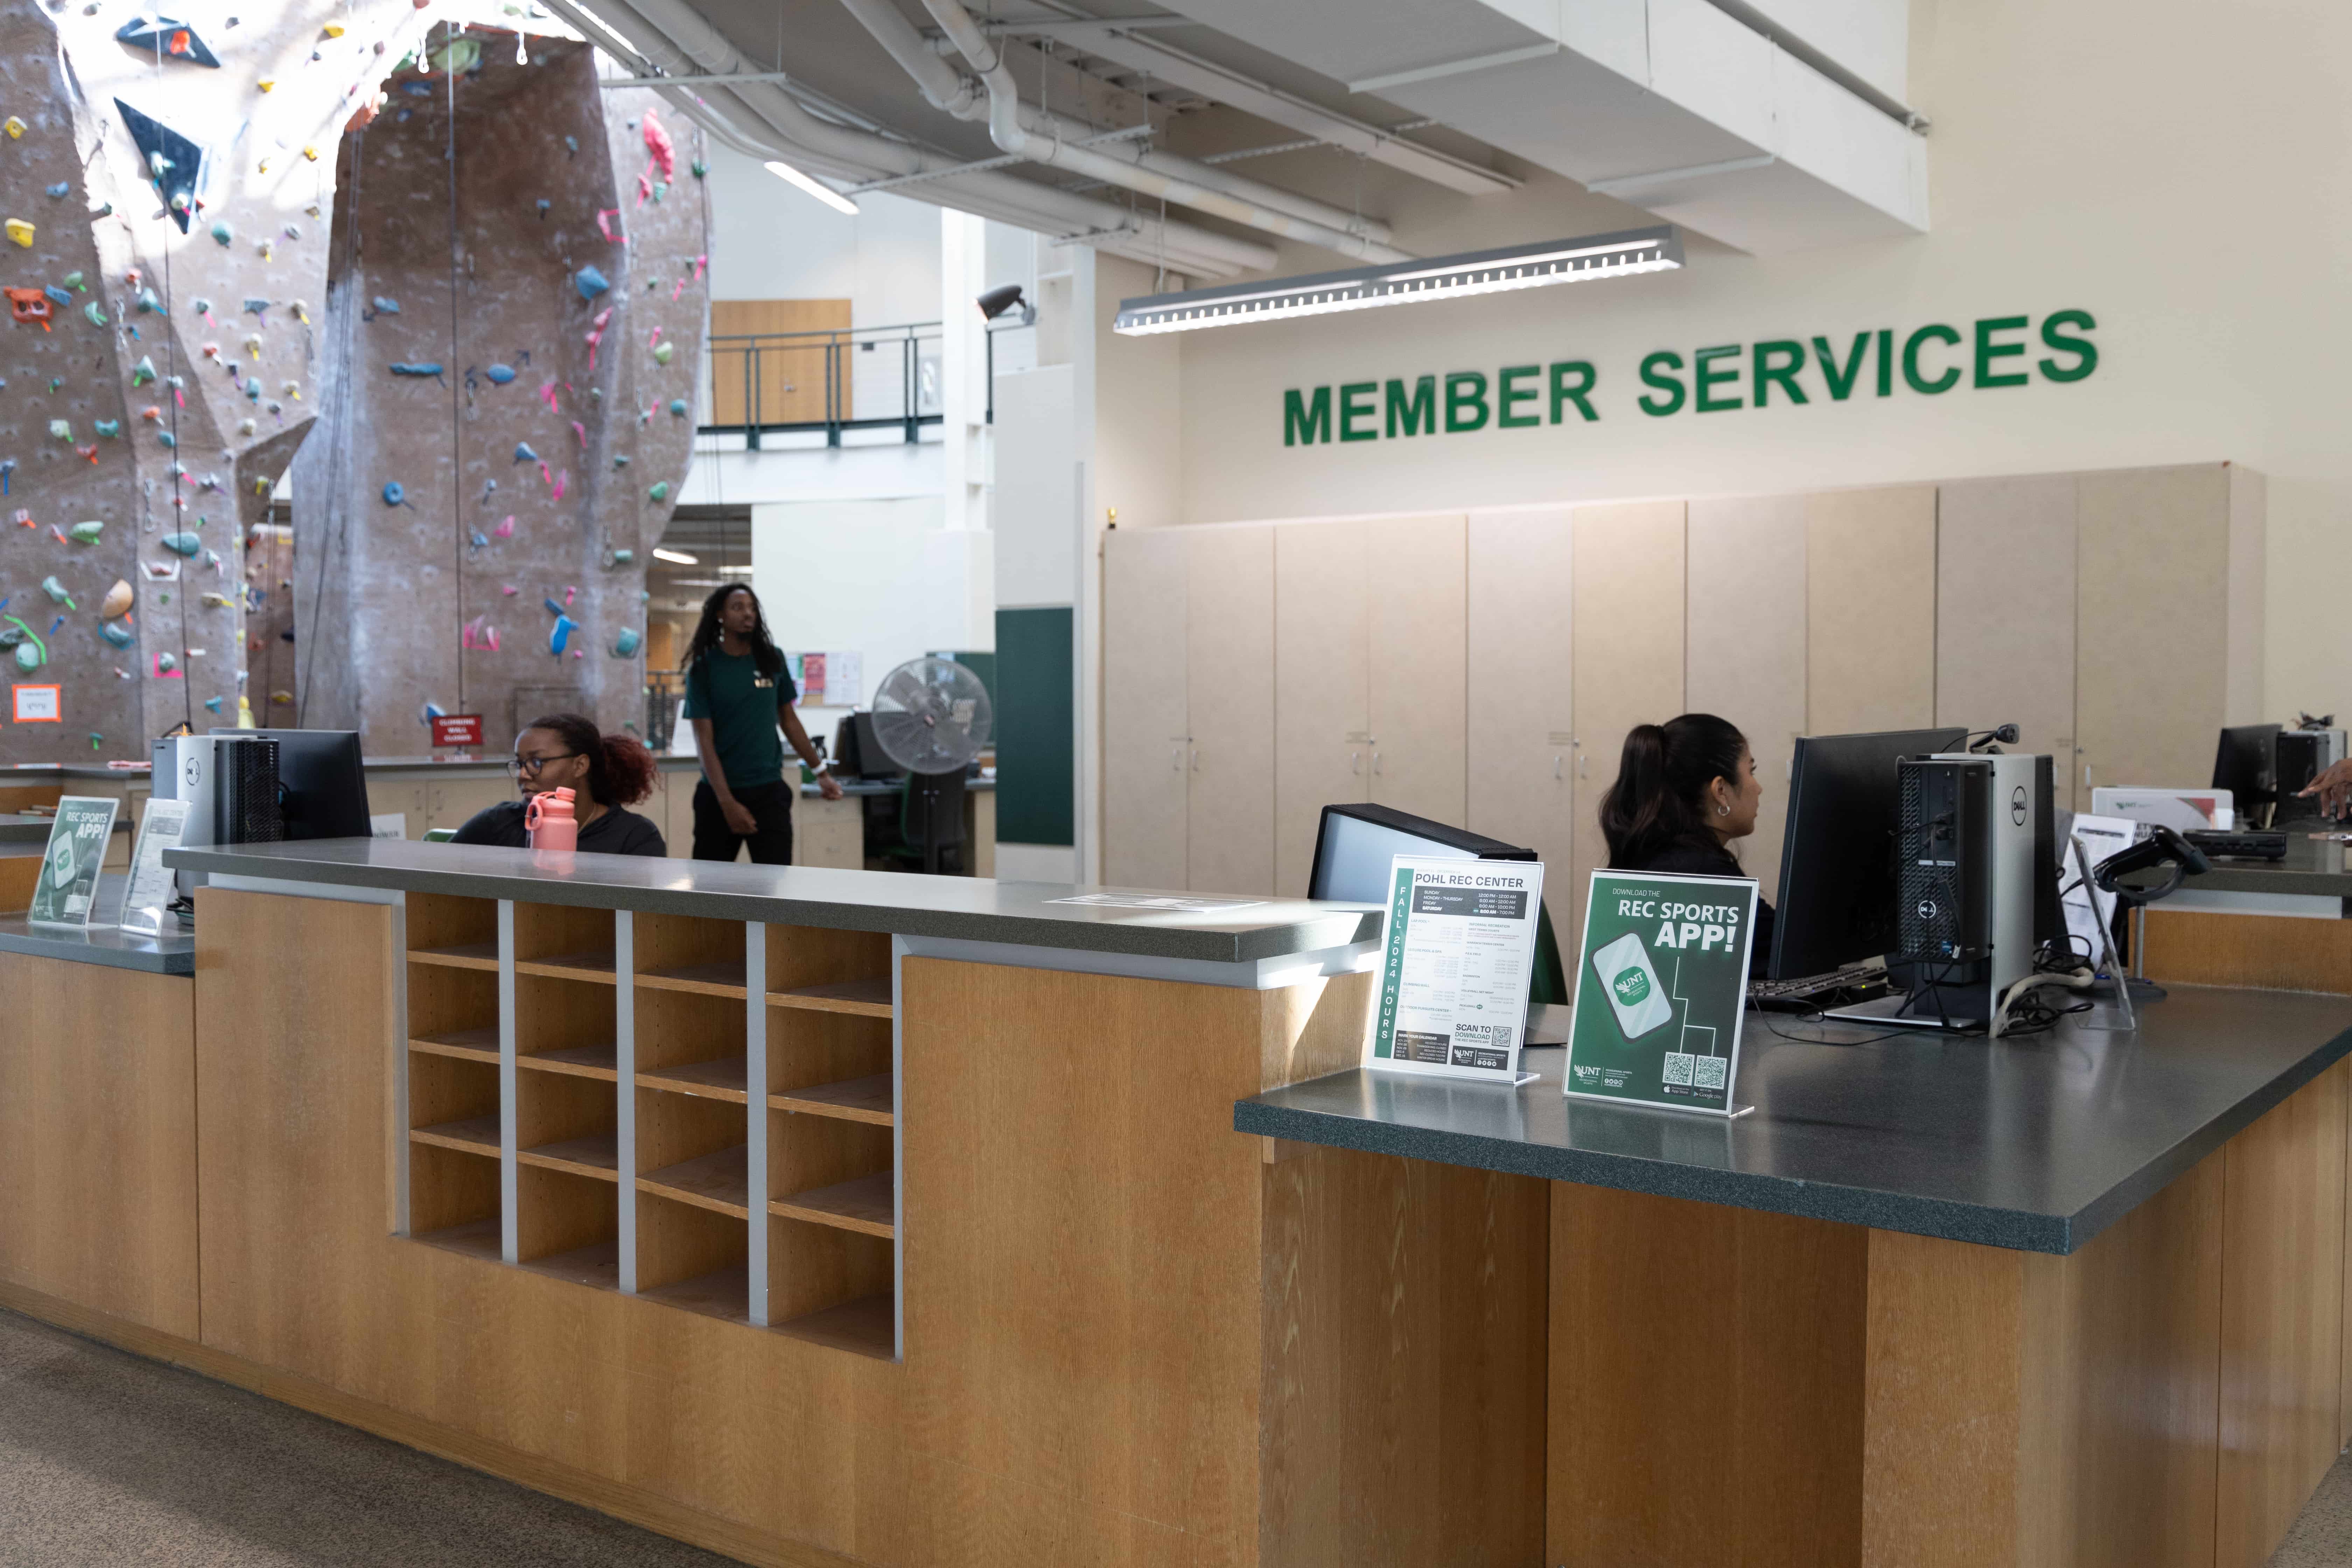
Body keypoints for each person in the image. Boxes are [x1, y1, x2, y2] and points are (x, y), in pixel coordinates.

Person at [1597, 713, 1775, 974]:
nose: (1758, 788)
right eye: (1751, 771)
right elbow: (1791, 950)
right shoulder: (1708, 877)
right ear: (1721, 791)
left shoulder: (1656, 856)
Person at [680, 582, 843, 863]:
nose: (748, 614)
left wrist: (821, 773)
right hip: (719, 796)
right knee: (709, 893)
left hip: (769, 793)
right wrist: (728, 804)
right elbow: (704, 741)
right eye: (738, 607)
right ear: (720, 615)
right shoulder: (704, 669)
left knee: (775, 892)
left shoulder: (772, 658)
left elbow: (790, 721)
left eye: (753, 608)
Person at [453, 713, 666, 856]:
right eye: (519, 764)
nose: (523, 775)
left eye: (537, 762)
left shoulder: (634, 837)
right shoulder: (497, 823)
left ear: (580, 765)